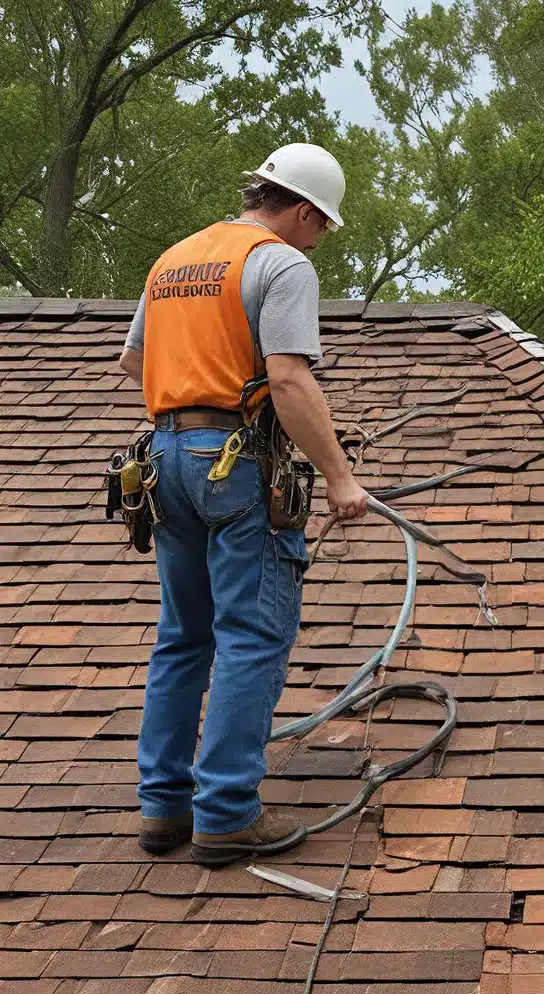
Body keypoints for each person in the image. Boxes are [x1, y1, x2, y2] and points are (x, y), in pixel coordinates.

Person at [118, 142, 369, 867]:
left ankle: (164, 808)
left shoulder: (175, 259)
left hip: (165, 456)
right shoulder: (281, 264)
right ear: (300, 210)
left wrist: (196, 395)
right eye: (321, 225)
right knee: (251, 634)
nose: (318, 239)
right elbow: (290, 381)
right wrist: (341, 478)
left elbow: (135, 361)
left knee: (183, 634)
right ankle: (224, 812)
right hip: (230, 466)